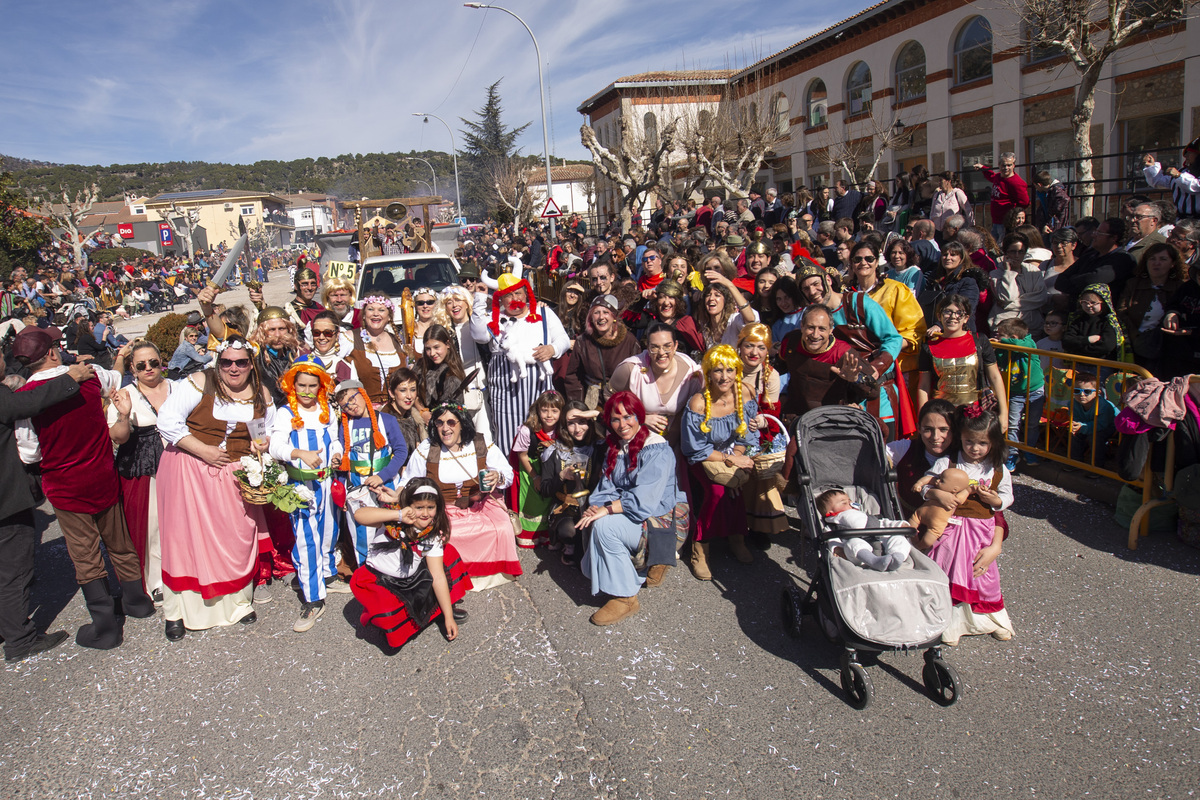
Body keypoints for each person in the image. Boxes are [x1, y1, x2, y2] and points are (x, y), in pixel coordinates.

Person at [155, 336, 273, 640]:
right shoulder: (199, 382)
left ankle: (237, 602)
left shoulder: (260, 393)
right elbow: (167, 420)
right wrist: (202, 449)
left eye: (241, 362)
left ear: (251, 363)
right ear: (217, 362)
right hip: (188, 469)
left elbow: (264, 430)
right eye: (226, 362)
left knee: (235, 538)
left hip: (232, 475)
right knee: (184, 541)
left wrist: (261, 443)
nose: (233, 368)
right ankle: (177, 611)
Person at [0, 357, 94, 662]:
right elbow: (28, 402)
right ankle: (19, 640)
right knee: (14, 571)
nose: (5, 359)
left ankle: (8, 624)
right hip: (6, 504)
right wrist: (71, 378)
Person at [578, 392, 687, 625]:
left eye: (628, 417)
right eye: (615, 419)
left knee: (605, 527)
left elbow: (643, 501)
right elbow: (606, 487)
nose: (622, 424)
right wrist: (596, 506)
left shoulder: (656, 449)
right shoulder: (617, 447)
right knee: (592, 517)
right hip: (635, 511)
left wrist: (606, 511)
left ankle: (626, 596)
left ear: (639, 416)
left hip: (660, 519)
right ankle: (644, 566)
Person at [400, 403, 522, 591]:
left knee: (501, 526)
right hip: (444, 507)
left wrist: (497, 476)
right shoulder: (427, 449)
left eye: (451, 422)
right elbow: (408, 480)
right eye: (439, 423)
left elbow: (508, 474)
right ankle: (453, 577)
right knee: (446, 534)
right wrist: (397, 496)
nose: (445, 428)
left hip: (480, 503)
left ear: (462, 424)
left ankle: (494, 574)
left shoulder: (480, 444)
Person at [920, 406, 1015, 645]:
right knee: (948, 571)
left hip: (982, 530)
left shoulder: (998, 468)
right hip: (952, 527)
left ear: (993, 442)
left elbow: (1007, 497)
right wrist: (934, 494)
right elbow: (925, 485)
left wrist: (996, 500)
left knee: (982, 574)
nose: (974, 448)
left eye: (982, 443)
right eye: (969, 442)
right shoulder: (948, 462)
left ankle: (991, 620)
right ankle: (950, 624)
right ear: (960, 438)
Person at [348, 478, 472, 650]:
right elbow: (359, 515)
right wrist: (398, 514)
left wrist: (448, 617)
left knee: (448, 555)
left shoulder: (432, 534)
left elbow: (437, 576)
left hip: (411, 577)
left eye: (430, 507)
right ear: (408, 506)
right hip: (382, 580)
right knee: (388, 616)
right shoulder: (393, 518)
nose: (425, 514)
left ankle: (441, 611)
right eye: (419, 507)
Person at [270, 356, 345, 633]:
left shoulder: (327, 409)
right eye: (301, 385)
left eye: (312, 385)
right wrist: (298, 453)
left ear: (321, 386)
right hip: (301, 485)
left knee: (329, 532)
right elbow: (275, 445)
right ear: (292, 384)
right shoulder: (285, 413)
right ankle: (313, 598)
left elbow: (335, 440)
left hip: (327, 482)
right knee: (306, 540)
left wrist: (336, 454)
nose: (306, 391)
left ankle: (327, 574)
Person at [473, 273, 570, 457]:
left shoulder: (544, 312)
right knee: (507, 438)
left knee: (543, 436)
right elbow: (479, 335)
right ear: (501, 298)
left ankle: (543, 480)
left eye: (518, 293)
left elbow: (563, 339)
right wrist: (479, 299)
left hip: (539, 387)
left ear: (526, 294)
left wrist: (552, 348)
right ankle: (510, 482)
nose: (515, 299)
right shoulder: (495, 317)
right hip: (505, 390)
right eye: (509, 295)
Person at [682, 345, 758, 579]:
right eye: (717, 371)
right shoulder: (698, 402)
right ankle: (700, 547)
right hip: (703, 457)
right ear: (708, 373)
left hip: (733, 452)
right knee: (716, 490)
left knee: (737, 484)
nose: (724, 377)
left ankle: (737, 537)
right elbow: (694, 449)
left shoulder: (744, 393)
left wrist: (737, 456)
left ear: (737, 371)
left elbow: (745, 435)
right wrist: (730, 460)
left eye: (729, 370)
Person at [107, 340, 172, 603]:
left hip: (178, 460)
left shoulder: (177, 388)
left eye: (154, 363)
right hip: (142, 465)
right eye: (141, 365)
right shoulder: (125, 394)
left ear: (161, 363)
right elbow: (118, 437)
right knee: (153, 524)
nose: (149, 368)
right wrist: (124, 416)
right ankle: (155, 579)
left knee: (180, 519)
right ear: (132, 368)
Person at [336, 380, 408, 569]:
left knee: (392, 529)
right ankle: (366, 574)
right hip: (357, 488)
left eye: (353, 398)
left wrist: (382, 475)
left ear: (362, 393)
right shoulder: (345, 426)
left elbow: (401, 451)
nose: (351, 406)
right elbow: (344, 464)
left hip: (386, 485)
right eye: (345, 405)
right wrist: (341, 493)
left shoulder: (387, 420)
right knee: (361, 533)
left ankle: (396, 571)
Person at [917, 294, 1009, 431]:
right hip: (941, 413)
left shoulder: (980, 341)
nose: (953, 317)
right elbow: (923, 385)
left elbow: (995, 377)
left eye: (959, 313)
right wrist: (923, 417)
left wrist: (1004, 413)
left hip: (975, 412)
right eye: (947, 311)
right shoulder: (928, 347)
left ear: (966, 318)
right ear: (939, 315)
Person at [540, 402, 603, 566]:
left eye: (582, 421)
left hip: (592, 505)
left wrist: (596, 414)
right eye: (571, 423)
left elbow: (616, 427)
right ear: (563, 425)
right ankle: (567, 543)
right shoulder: (554, 450)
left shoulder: (598, 447)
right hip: (565, 507)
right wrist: (561, 476)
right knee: (570, 531)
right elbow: (545, 490)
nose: (577, 429)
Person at [1117, 242, 1185, 375]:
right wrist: (1135, 335)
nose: (1156, 263)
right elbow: (1121, 311)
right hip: (1132, 344)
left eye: (1163, 259)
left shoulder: (1180, 287)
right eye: (1152, 259)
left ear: (1172, 264)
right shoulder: (1133, 284)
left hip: (1164, 350)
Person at [564, 294, 643, 408]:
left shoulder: (629, 341)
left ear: (614, 316)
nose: (601, 317)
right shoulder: (583, 341)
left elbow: (638, 376)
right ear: (591, 317)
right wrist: (578, 405)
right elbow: (573, 376)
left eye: (606, 312)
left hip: (620, 401)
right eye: (596, 313)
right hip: (592, 401)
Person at [511, 390, 564, 549]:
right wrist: (535, 477)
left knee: (549, 502)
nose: (549, 415)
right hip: (532, 469)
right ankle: (530, 536)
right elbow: (522, 455)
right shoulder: (527, 430)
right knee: (533, 503)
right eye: (544, 410)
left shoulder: (562, 430)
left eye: (554, 411)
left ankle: (548, 535)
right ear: (537, 410)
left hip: (552, 470)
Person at [887, 398, 959, 517]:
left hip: (953, 529)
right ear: (919, 428)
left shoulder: (966, 455)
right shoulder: (905, 448)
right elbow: (872, 454)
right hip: (910, 526)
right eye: (928, 429)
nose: (936, 437)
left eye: (943, 429)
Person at [816, 489, 912, 571]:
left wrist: (901, 525)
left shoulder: (866, 516)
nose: (850, 503)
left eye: (850, 501)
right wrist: (837, 548)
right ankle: (874, 561)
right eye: (844, 503)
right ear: (830, 512)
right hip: (861, 557)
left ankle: (896, 556)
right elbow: (831, 538)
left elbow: (883, 523)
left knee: (898, 538)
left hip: (882, 544)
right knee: (853, 544)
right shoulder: (833, 526)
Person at [994, 318, 1045, 471]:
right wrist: (997, 346)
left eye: (1000, 335)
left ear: (1013, 337)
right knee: (1012, 424)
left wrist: (1003, 342)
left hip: (1035, 390)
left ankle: (1029, 450)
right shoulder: (1003, 346)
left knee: (1032, 424)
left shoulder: (1029, 343)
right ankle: (1013, 453)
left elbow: (1019, 346)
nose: (998, 338)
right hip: (1016, 392)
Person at [345, 295, 409, 407]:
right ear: (364, 315)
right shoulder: (350, 338)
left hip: (394, 412)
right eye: (370, 309)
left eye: (381, 310)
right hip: (362, 411)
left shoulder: (397, 341)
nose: (375, 313)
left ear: (389, 317)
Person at [989, 232, 1048, 339]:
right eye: (1013, 251)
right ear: (1005, 252)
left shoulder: (1033, 271)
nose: (1017, 256)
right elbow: (1007, 297)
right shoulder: (995, 274)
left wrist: (1009, 306)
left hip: (1032, 326)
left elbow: (1041, 298)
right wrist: (1009, 272)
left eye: (1021, 252)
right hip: (1004, 329)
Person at [1064, 370, 1118, 466]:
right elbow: (1075, 418)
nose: (1081, 395)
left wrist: (1082, 427)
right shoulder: (1072, 403)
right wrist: (1075, 425)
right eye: (1077, 391)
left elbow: (1101, 425)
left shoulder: (1104, 406)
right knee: (1074, 433)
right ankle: (1075, 461)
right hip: (1087, 424)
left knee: (1095, 437)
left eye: (1087, 391)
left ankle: (1097, 466)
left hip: (1110, 427)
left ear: (1098, 392)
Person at [974, 154, 1029, 242]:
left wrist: (1013, 215)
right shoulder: (998, 177)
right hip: (996, 221)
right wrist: (982, 167)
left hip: (1005, 223)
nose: (1006, 168)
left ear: (1014, 165)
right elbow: (991, 176)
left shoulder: (1016, 183)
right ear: (999, 165)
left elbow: (1024, 202)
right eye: (1003, 165)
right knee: (993, 247)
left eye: (1009, 165)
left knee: (1002, 247)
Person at [1063, 284, 1122, 363]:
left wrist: (1078, 350)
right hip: (1078, 364)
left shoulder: (1109, 322)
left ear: (1103, 303)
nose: (1088, 305)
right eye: (1084, 302)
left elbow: (1107, 346)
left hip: (1102, 365)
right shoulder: (1078, 320)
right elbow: (1066, 341)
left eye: (1093, 302)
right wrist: (1087, 340)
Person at [1143, 144, 1200, 220]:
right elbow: (1159, 182)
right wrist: (1151, 167)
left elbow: (1196, 186)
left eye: (1190, 153)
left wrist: (1178, 176)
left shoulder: (1181, 174)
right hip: (1181, 220)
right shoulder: (1183, 172)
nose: (1186, 156)